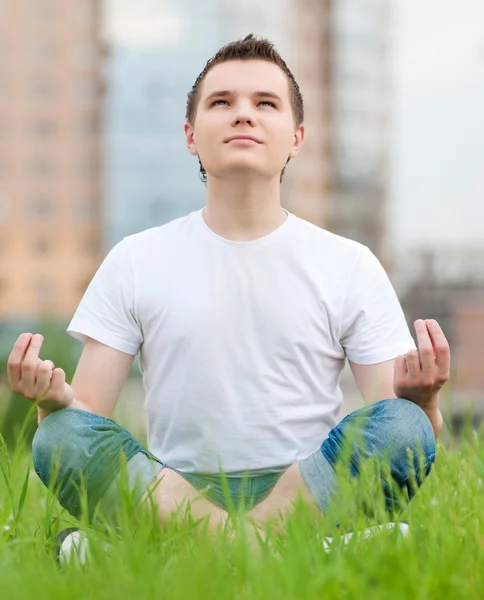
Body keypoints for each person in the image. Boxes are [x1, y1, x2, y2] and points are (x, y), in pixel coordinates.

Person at [7, 35, 449, 546]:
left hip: (308, 488)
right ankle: (287, 550)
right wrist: (50, 403)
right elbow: (84, 422)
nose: (244, 115)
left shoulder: (348, 263)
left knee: (405, 428)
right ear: (191, 135)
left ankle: (194, 551)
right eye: (222, 102)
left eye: (265, 103)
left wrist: (426, 403)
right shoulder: (136, 258)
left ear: (297, 137)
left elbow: (399, 427)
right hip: (172, 493)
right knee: (58, 437)